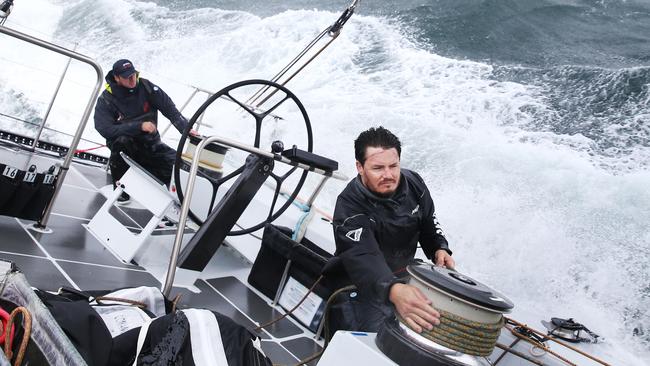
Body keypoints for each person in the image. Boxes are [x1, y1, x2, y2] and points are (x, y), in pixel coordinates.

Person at [332, 126, 455, 333]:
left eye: (393, 166)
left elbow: (428, 220)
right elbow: (363, 255)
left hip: (403, 274)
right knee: (380, 337)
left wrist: (438, 248)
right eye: (378, 168)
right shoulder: (349, 205)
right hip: (358, 284)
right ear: (360, 167)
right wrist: (393, 289)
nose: (388, 175)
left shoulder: (415, 183)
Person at [94, 59, 193, 203]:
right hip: (125, 146)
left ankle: (182, 203)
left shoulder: (147, 87)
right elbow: (104, 129)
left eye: (133, 75)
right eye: (127, 77)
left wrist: (187, 130)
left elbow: (170, 110)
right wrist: (139, 126)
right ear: (116, 78)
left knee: (181, 168)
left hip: (151, 144)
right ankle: (121, 191)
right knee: (122, 141)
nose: (132, 79)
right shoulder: (106, 99)